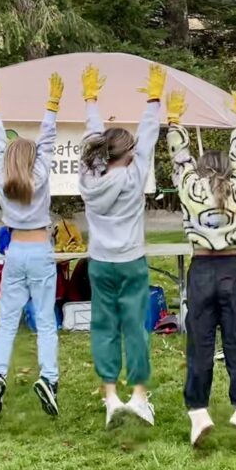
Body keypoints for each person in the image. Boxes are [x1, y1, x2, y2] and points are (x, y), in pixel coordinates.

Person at [167, 88, 236, 447]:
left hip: (201, 270)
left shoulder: (190, 187)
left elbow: (180, 158)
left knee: (200, 344)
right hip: (232, 270)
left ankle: (198, 412)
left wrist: (173, 122)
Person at [79, 62, 162, 429]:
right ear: (128, 153)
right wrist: (153, 101)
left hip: (99, 262)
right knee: (136, 328)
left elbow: (93, 138)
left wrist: (91, 100)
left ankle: (111, 398)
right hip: (131, 262)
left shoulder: (88, 179)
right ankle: (140, 397)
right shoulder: (135, 174)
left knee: (104, 327)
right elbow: (149, 135)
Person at [0, 72, 62, 417]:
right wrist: (52, 105)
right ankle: (48, 379)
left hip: (14, 253)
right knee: (44, 320)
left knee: (7, 320)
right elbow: (49, 141)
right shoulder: (39, 178)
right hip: (40, 250)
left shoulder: (0, 177)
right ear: (32, 159)